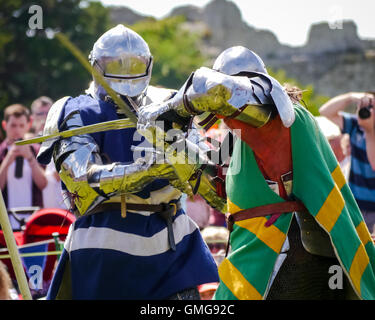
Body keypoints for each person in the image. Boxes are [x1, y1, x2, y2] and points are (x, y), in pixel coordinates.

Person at [138, 46, 375, 300]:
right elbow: (219, 190)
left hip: (279, 253)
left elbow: (213, 87)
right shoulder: (241, 136)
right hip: (265, 249)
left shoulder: (273, 121)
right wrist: (170, 139)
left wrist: (170, 107)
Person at [37, 25, 218, 300]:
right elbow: (82, 186)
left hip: (172, 242)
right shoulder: (76, 110)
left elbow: (208, 177)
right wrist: (149, 169)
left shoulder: (169, 105)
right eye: (115, 64)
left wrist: (189, 159)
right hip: (106, 245)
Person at [319, 92, 375, 234]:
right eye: (364, 106)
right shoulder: (356, 125)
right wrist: (351, 97)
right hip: (355, 204)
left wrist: (369, 132)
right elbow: (325, 111)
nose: (367, 110)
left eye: (371, 106)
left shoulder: (366, 129)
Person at [0, 104, 47, 226]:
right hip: (6, 222)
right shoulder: (1, 152)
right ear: (5, 125)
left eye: (21, 125)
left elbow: (43, 184)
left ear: (28, 125)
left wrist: (30, 158)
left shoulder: (37, 150)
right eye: (13, 125)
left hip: (33, 220)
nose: (17, 130)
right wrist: (7, 160)